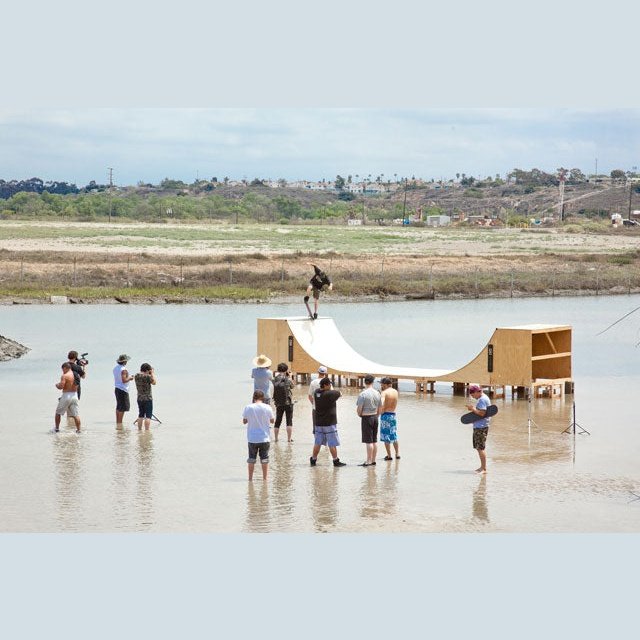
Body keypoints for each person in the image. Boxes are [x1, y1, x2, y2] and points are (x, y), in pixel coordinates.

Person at [310, 378, 346, 467]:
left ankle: (313, 459)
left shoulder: (316, 392)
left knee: (317, 443)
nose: (330, 386)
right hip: (329, 423)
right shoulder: (330, 393)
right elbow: (340, 393)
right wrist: (331, 390)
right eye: (329, 384)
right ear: (326, 385)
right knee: (332, 443)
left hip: (319, 423)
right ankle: (335, 460)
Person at [242, 390, 275, 481]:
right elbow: (272, 421)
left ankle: (250, 479)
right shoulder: (267, 407)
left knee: (251, 459)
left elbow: (244, 421)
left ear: (253, 397)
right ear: (263, 398)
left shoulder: (248, 407)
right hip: (264, 438)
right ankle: (265, 479)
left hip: (252, 438)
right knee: (264, 459)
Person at [356, 374, 381, 466]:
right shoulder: (377, 393)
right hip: (375, 417)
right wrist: (376, 415)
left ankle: (368, 461)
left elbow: (359, 409)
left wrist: (360, 415)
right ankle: (373, 460)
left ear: (364, 382)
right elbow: (380, 408)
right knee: (374, 440)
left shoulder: (363, 394)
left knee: (368, 441)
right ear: (372, 382)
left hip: (367, 418)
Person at [465, 384, 491, 474]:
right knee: (479, 448)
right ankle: (482, 467)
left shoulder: (482, 400)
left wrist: (472, 409)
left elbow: (482, 413)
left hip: (481, 427)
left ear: (477, 392)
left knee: (480, 448)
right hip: (481, 425)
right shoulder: (484, 397)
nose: (473, 397)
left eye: (473, 395)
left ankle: (484, 469)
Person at [54, 362, 81, 433]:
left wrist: (57, 385)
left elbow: (61, 386)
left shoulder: (65, 376)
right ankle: (78, 430)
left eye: (63, 369)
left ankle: (57, 429)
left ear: (65, 368)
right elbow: (77, 385)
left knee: (58, 413)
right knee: (76, 415)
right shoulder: (76, 375)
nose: (62, 371)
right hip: (75, 395)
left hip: (66, 395)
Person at [272, 362, 294, 443]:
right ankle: (288, 439)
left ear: (278, 370)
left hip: (278, 403)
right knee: (289, 420)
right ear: (286, 370)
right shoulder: (287, 379)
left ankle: (276, 439)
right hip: (288, 402)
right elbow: (292, 386)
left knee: (278, 420)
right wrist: (291, 377)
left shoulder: (275, 379)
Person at [379, 377, 400, 460]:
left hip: (385, 415)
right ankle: (397, 454)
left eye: (381, 384)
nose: (381, 385)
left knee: (386, 437)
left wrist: (380, 410)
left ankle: (389, 455)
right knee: (394, 435)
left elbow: (382, 402)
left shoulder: (384, 392)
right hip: (393, 415)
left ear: (385, 384)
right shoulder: (395, 392)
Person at [113, 354, 134, 427]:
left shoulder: (115, 368)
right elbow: (124, 380)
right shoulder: (123, 369)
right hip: (123, 389)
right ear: (124, 361)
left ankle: (118, 422)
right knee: (122, 408)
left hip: (117, 388)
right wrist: (130, 378)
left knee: (118, 406)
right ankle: (120, 423)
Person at [134, 363, 157, 430]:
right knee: (148, 416)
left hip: (139, 398)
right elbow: (154, 382)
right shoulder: (148, 377)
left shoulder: (136, 376)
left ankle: (139, 430)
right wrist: (152, 373)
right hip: (147, 398)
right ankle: (147, 431)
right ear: (147, 370)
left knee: (141, 415)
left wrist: (149, 372)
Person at [307, 365, 328, 432]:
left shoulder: (313, 382)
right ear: (325, 373)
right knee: (326, 428)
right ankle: (324, 442)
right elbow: (332, 394)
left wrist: (314, 403)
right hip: (326, 409)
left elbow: (309, 396)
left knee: (316, 427)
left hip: (315, 408)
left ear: (318, 372)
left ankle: (317, 441)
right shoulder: (328, 382)